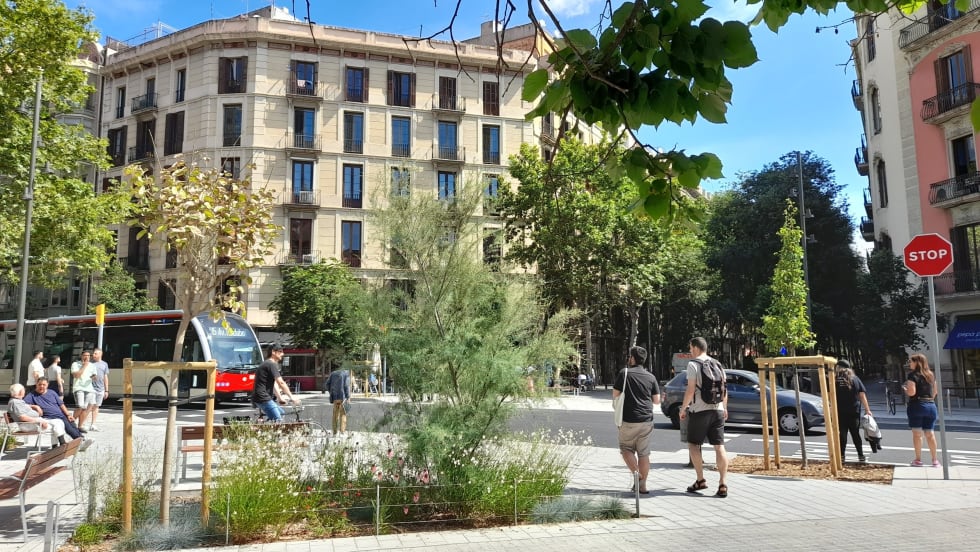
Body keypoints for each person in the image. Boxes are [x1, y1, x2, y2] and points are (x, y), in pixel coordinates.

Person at [679, 336, 729, 498]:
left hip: (700, 410)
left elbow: (690, 390)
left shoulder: (693, 364)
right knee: (719, 446)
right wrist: (724, 408)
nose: (690, 351)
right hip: (718, 410)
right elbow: (724, 389)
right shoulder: (718, 364)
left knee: (693, 444)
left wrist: (683, 408)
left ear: (695, 348)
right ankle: (723, 484)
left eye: (690, 348)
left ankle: (700, 479)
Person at [612, 346, 661, 494]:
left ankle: (637, 474)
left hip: (629, 419)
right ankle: (642, 486)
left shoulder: (625, 373)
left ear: (632, 358)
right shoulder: (651, 377)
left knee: (625, 449)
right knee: (643, 453)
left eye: (630, 356)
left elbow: (615, 394)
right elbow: (657, 400)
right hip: (646, 420)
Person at [905, 353, 939, 467]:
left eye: (911, 361)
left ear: (917, 363)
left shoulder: (912, 375)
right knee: (930, 433)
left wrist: (906, 390)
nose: (910, 363)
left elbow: (912, 392)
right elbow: (935, 392)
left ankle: (918, 459)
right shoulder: (931, 375)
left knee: (917, 434)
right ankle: (935, 460)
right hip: (931, 405)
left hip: (917, 405)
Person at [7, 383, 67, 448]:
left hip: (33, 422)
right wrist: (39, 421)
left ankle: (57, 445)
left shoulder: (18, 401)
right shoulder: (15, 402)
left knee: (58, 421)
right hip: (27, 425)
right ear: (20, 392)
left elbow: (24, 407)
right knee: (54, 426)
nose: (24, 391)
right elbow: (22, 417)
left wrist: (35, 406)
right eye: (23, 390)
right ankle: (60, 444)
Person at [834, 359, 872, 463]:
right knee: (855, 434)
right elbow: (862, 395)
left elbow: (830, 395)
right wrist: (867, 410)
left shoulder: (835, 379)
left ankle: (842, 456)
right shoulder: (855, 379)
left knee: (842, 434)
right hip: (854, 411)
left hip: (840, 411)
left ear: (838, 367)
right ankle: (861, 455)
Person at [253, 344, 299, 422]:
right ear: (273, 352)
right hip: (263, 398)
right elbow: (281, 382)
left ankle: (268, 426)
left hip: (261, 397)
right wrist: (292, 397)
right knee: (278, 421)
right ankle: (270, 428)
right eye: (280, 351)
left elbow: (274, 384)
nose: (282, 354)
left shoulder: (267, 364)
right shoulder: (271, 364)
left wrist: (280, 398)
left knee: (281, 413)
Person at [71, 351, 96, 432]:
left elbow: (94, 376)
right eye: (85, 355)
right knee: (80, 406)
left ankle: (80, 426)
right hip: (79, 388)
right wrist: (84, 365)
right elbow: (76, 375)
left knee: (85, 408)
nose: (87, 357)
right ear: (81, 356)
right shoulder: (75, 364)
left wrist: (94, 377)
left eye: (89, 355)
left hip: (89, 388)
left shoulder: (92, 365)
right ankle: (71, 422)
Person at [87, 347, 110, 431]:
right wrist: (92, 377)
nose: (93, 355)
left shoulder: (104, 364)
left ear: (100, 354)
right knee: (89, 406)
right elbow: (86, 375)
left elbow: (105, 377)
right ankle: (83, 424)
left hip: (101, 389)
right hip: (91, 388)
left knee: (96, 407)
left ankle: (93, 424)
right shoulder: (90, 364)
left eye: (95, 353)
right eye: (93, 353)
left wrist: (106, 390)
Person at [326, 368, 351, 434]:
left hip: (335, 397)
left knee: (335, 415)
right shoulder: (346, 374)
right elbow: (346, 386)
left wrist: (331, 392)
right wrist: (348, 397)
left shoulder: (333, 373)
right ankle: (342, 432)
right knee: (343, 414)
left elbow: (327, 384)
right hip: (343, 397)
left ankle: (334, 432)